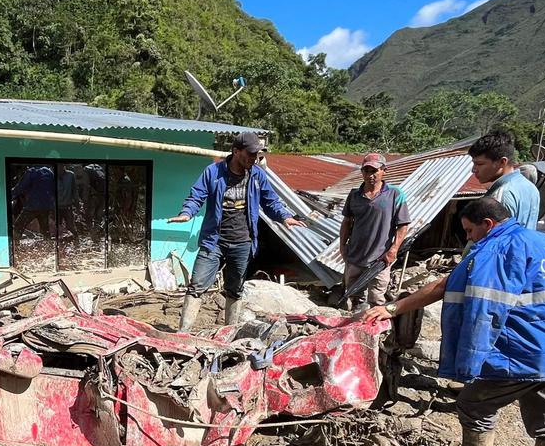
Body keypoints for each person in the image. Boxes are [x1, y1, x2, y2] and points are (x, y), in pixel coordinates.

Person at [363, 196, 545, 446]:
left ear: (488, 225)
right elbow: (448, 283)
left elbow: (485, 312)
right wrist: (395, 307)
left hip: (525, 351)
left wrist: (468, 365)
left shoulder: (496, 251)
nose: (467, 238)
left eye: (469, 231)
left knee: (473, 405)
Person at [168, 132, 305, 329]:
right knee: (197, 285)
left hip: (243, 242)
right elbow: (196, 195)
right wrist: (187, 213)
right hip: (213, 241)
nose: (254, 159)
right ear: (236, 151)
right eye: (250, 154)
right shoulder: (213, 172)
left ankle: (229, 332)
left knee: (235, 289)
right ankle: (183, 332)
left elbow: (270, 200)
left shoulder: (257, 175)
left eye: (256, 155)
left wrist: (284, 217)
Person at [339, 152, 411, 310]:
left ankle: (376, 332)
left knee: (376, 299)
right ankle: (356, 329)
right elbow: (347, 222)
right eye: (366, 171)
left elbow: (403, 225)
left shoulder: (394, 194)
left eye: (374, 171)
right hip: (355, 256)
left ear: (384, 170)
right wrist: (342, 246)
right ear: (362, 172)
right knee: (354, 297)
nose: (370, 175)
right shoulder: (354, 195)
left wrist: (394, 249)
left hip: (380, 259)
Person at [468, 131, 539, 230]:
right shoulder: (530, 187)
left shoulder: (500, 196)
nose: (474, 170)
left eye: (479, 164)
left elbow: (493, 240)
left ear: (502, 162)